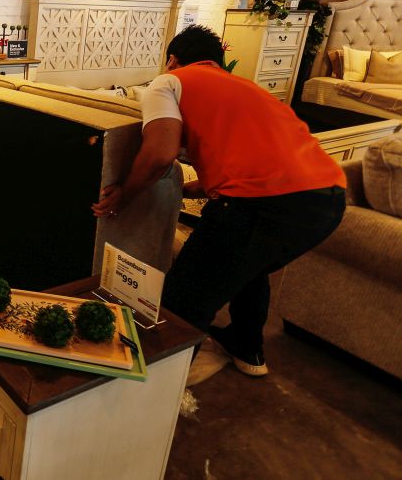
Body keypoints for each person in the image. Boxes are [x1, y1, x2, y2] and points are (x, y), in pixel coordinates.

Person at [92, 25, 345, 377]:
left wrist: (124, 194)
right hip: (327, 201)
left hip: (261, 203)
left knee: (184, 301)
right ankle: (246, 348)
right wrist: (190, 189)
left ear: (173, 60)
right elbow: (254, 161)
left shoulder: (168, 82)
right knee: (250, 266)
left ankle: (160, 388)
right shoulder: (247, 88)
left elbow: (160, 153)